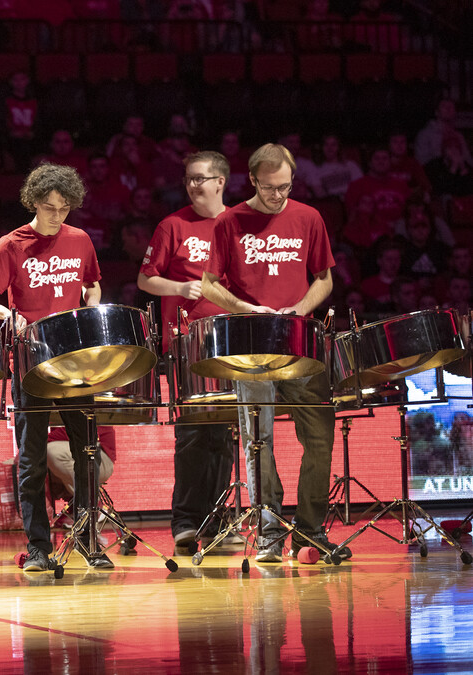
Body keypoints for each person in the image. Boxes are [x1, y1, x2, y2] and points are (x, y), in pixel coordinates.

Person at [200, 143, 341, 563]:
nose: (279, 195)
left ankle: (311, 532)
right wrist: (249, 310)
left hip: (300, 343)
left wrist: (296, 313)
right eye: (270, 187)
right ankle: (268, 533)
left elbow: (325, 279)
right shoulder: (230, 221)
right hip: (253, 348)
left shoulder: (308, 217)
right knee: (258, 442)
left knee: (319, 439)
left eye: (285, 187)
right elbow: (209, 284)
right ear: (253, 180)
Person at [0, 163, 106, 571]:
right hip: (31, 361)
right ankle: (38, 547)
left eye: (64, 209)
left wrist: (92, 305)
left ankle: (87, 539)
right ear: (33, 202)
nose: (57, 216)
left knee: (87, 451)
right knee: (30, 459)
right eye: (49, 207)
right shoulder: (12, 244)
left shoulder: (81, 240)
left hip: (76, 362)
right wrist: (7, 314)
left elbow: (93, 283)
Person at [137, 151, 237, 554]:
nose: (194, 185)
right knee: (193, 434)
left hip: (230, 343)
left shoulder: (240, 226)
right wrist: (178, 288)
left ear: (221, 182)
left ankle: (216, 521)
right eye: (189, 179)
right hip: (186, 344)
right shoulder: (172, 226)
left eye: (202, 178)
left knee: (225, 437)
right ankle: (185, 522)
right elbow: (145, 280)